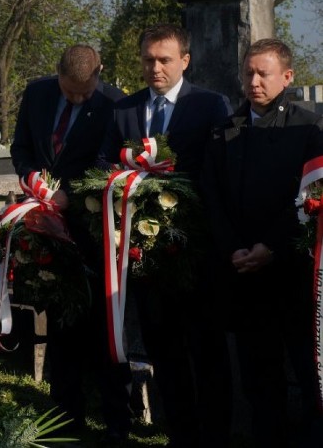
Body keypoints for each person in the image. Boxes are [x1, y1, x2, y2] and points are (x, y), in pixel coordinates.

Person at [100, 24, 233, 447]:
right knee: (165, 354)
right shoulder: (125, 110)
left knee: (206, 353)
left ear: (185, 61)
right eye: (148, 60)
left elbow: (219, 173)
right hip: (146, 261)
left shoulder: (210, 105)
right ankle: (181, 434)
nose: (155, 68)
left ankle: (215, 435)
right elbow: (105, 168)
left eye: (164, 60)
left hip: (196, 256)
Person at [202, 38, 323, 447]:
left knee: (309, 371)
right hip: (242, 271)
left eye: (263, 74)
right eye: (248, 73)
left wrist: (271, 246)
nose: (253, 81)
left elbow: (311, 198)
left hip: (291, 270)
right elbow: (212, 196)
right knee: (258, 374)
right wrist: (232, 247)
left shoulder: (309, 128)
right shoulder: (224, 131)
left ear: (286, 77)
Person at [9, 45, 131, 439]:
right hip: (48, 232)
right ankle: (65, 422)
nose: (77, 99)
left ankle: (115, 424)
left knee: (103, 332)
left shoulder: (115, 104)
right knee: (61, 332)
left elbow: (111, 164)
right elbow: (21, 147)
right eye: (70, 92)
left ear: (99, 73)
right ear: (57, 73)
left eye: (84, 92)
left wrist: (72, 195)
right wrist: (32, 179)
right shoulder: (37, 93)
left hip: (94, 234)